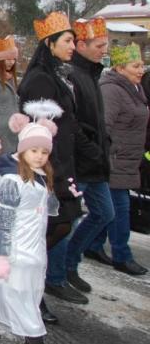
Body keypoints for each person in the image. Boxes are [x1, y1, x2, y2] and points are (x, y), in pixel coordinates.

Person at [0, 101, 61, 344]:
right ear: (22, 151)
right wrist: (1, 256)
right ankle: (34, 337)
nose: (39, 156)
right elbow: (4, 220)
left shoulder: (41, 177)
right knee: (19, 295)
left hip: (34, 248)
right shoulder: (12, 181)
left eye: (44, 152)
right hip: (16, 251)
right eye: (34, 151)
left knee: (12, 289)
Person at [17, 11, 84, 322]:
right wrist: (50, 172)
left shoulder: (58, 75)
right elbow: (39, 134)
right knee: (48, 228)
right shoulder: (41, 79)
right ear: (50, 43)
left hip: (63, 162)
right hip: (46, 167)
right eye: (67, 41)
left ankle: (29, 284)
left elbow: (68, 122)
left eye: (73, 41)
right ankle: (26, 288)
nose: (73, 46)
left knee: (62, 223)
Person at [86, 43, 149, 276]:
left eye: (142, 65)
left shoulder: (134, 87)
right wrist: (112, 153)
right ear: (120, 68)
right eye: (136, 66)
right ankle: (122, 255)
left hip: (128, 160)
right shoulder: (112, 90)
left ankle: (93, 245)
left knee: (111, 209)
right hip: (114, 160)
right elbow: (104, 127)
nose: (141, 70)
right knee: (119, 210)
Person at [62, 17, 113, 297]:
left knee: (105, 213)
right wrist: (91, 148)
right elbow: (72, 122)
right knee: (67, 221)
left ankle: (70, 262)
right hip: (80, 162)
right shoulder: (72, 75)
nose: (104, 50)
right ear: (81, 45)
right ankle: (57, 272)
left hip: (96, 161)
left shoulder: (93, 74)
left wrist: (104, 144)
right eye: (99, 45)